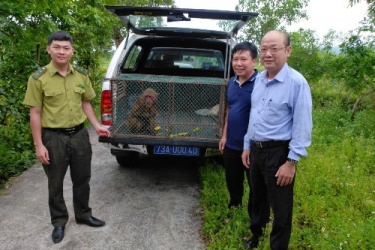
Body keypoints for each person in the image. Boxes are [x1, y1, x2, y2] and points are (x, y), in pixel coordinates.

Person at [23, 31, 111, 244]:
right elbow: (35, 112)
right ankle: (59, 222)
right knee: (55, 183)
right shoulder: (38, 79)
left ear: (72, 51)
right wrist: (38, 144)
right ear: (48, 49)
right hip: (53, 138)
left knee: (82, 179)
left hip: (79, 135)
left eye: (66, 48)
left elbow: (86, 102)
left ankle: (83, 215)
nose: (61, 51)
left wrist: (97, 125)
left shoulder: (81, 75)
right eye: (57, 47)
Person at [241, 30, 313, 250]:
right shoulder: (260, 79)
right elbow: (255, 116)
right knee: (257, 199)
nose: (267, 54)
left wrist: (291, 163)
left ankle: (277, 247)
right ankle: (256, 236)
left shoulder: (297, 83)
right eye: (263, 49)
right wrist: (247, 145)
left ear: (288, 51)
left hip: (279, 153)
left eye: (274, 48)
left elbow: (302, 125)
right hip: (256, 150)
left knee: (281, 208)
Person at [219, 41, 258, 211]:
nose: (239, 63)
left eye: (244, 59)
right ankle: (235, 206)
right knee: (232, 180)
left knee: (255, 183)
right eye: (235, 59)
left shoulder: (262, 83)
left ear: (254, 61)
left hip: (253, 146)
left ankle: (254, 215)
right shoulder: (231, 82)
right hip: (231, 144)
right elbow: (229, 110)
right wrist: (224, 136)